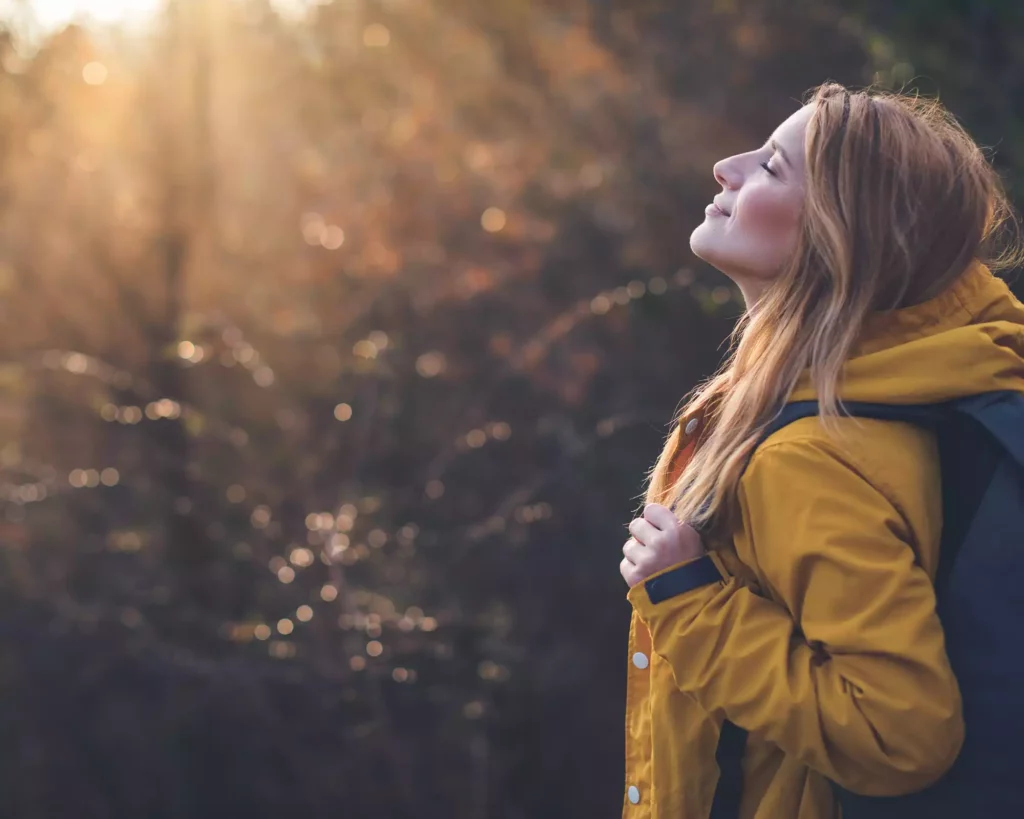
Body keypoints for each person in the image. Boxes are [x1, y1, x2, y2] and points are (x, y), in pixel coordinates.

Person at [617, 82, 1024, 819]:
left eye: (772, 168)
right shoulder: (938, 382)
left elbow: (900, 732)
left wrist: (692, 603)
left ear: (842, 236)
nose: (725, 167)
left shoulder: (804, 458)